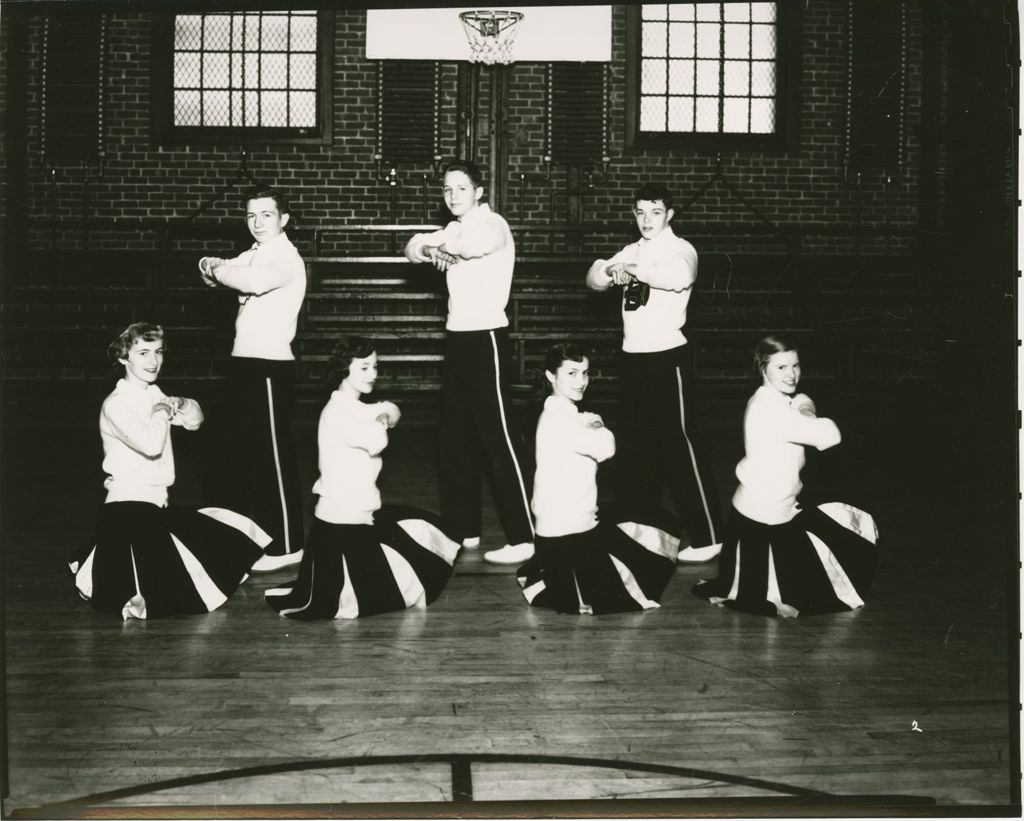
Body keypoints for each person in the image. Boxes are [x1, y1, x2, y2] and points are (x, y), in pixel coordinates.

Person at [69, 323, 271, 620]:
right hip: (127, 506)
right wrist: (163, 411)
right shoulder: (115, 404)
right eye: (143, 353)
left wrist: (183, 403)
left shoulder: (153, 394)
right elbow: (151, 444)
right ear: (124, 358)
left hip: (155, 505)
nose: (153, 361)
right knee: (161, 590)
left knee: (227, 542)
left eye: (158, 352)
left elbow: (195, 422)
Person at [265, 338, 461, 619]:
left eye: (376, 367)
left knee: (421, 533)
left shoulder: (353, 405)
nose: (373, 374)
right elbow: (378, 439)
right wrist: (381, 418)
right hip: (342, 519)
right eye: (365, 368)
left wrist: (383, 413)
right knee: (396, 579)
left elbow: (393, 408)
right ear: (344, 369)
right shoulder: (339, 412)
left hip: (358, 512)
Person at [403, 159, 534, 566]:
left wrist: (440, 248)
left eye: (461, 188)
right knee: (455, 439)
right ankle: (464, 528)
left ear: (479, 191)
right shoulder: (453, 229)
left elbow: (474, 246)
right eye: (446, 189)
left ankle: (523, 534)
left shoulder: (492, 224)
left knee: (499, 438)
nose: (453, 196)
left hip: (488, 339)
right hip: (458, 339)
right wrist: (430, 247)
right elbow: (411, 246)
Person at [586, 183, 724, 564]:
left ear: (670, 215)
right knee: (634, 450)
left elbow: (679, 277)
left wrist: (632, 270)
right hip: (633, 359)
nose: (647, 220)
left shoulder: (681, 249)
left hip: (668, 358)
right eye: (641, 213)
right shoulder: (631, 249)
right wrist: (608, 272)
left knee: (679, 445)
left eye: (656, 212)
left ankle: (710, 535)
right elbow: (593, 277)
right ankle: (638, 531)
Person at [692, 336, 878, 617]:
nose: (791, 374)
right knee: (849, 542)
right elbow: (831, 435)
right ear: (762, 368)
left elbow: (803, 409)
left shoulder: (770, 398)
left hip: (766, 513)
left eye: (796, 365)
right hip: (762, 521)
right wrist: (805, 405)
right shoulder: (773, 410)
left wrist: (802, 405)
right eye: (781, 367)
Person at [515, 343, 680, 614]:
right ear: (550, 376)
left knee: (636, 519)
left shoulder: (558, 410)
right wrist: (600, 425)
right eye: (571, 373)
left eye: (585, 373)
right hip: (567, 533)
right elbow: (607, 448)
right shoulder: (560, 418)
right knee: (653, 534)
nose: (581, 382)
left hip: (557, 528)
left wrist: (587, 424)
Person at [198, 184, 307, 572]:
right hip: (244, 363)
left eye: (266, 215)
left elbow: (248, 281)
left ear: (284, 219)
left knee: (274, 457)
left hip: (269, 366)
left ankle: (291, 544)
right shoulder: (255, 254)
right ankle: (259, 536)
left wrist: (219, 268)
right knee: (247, 456)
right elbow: (216, 271)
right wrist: (214, 267)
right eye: (250, 215)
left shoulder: (285, 258)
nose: (257, 222)